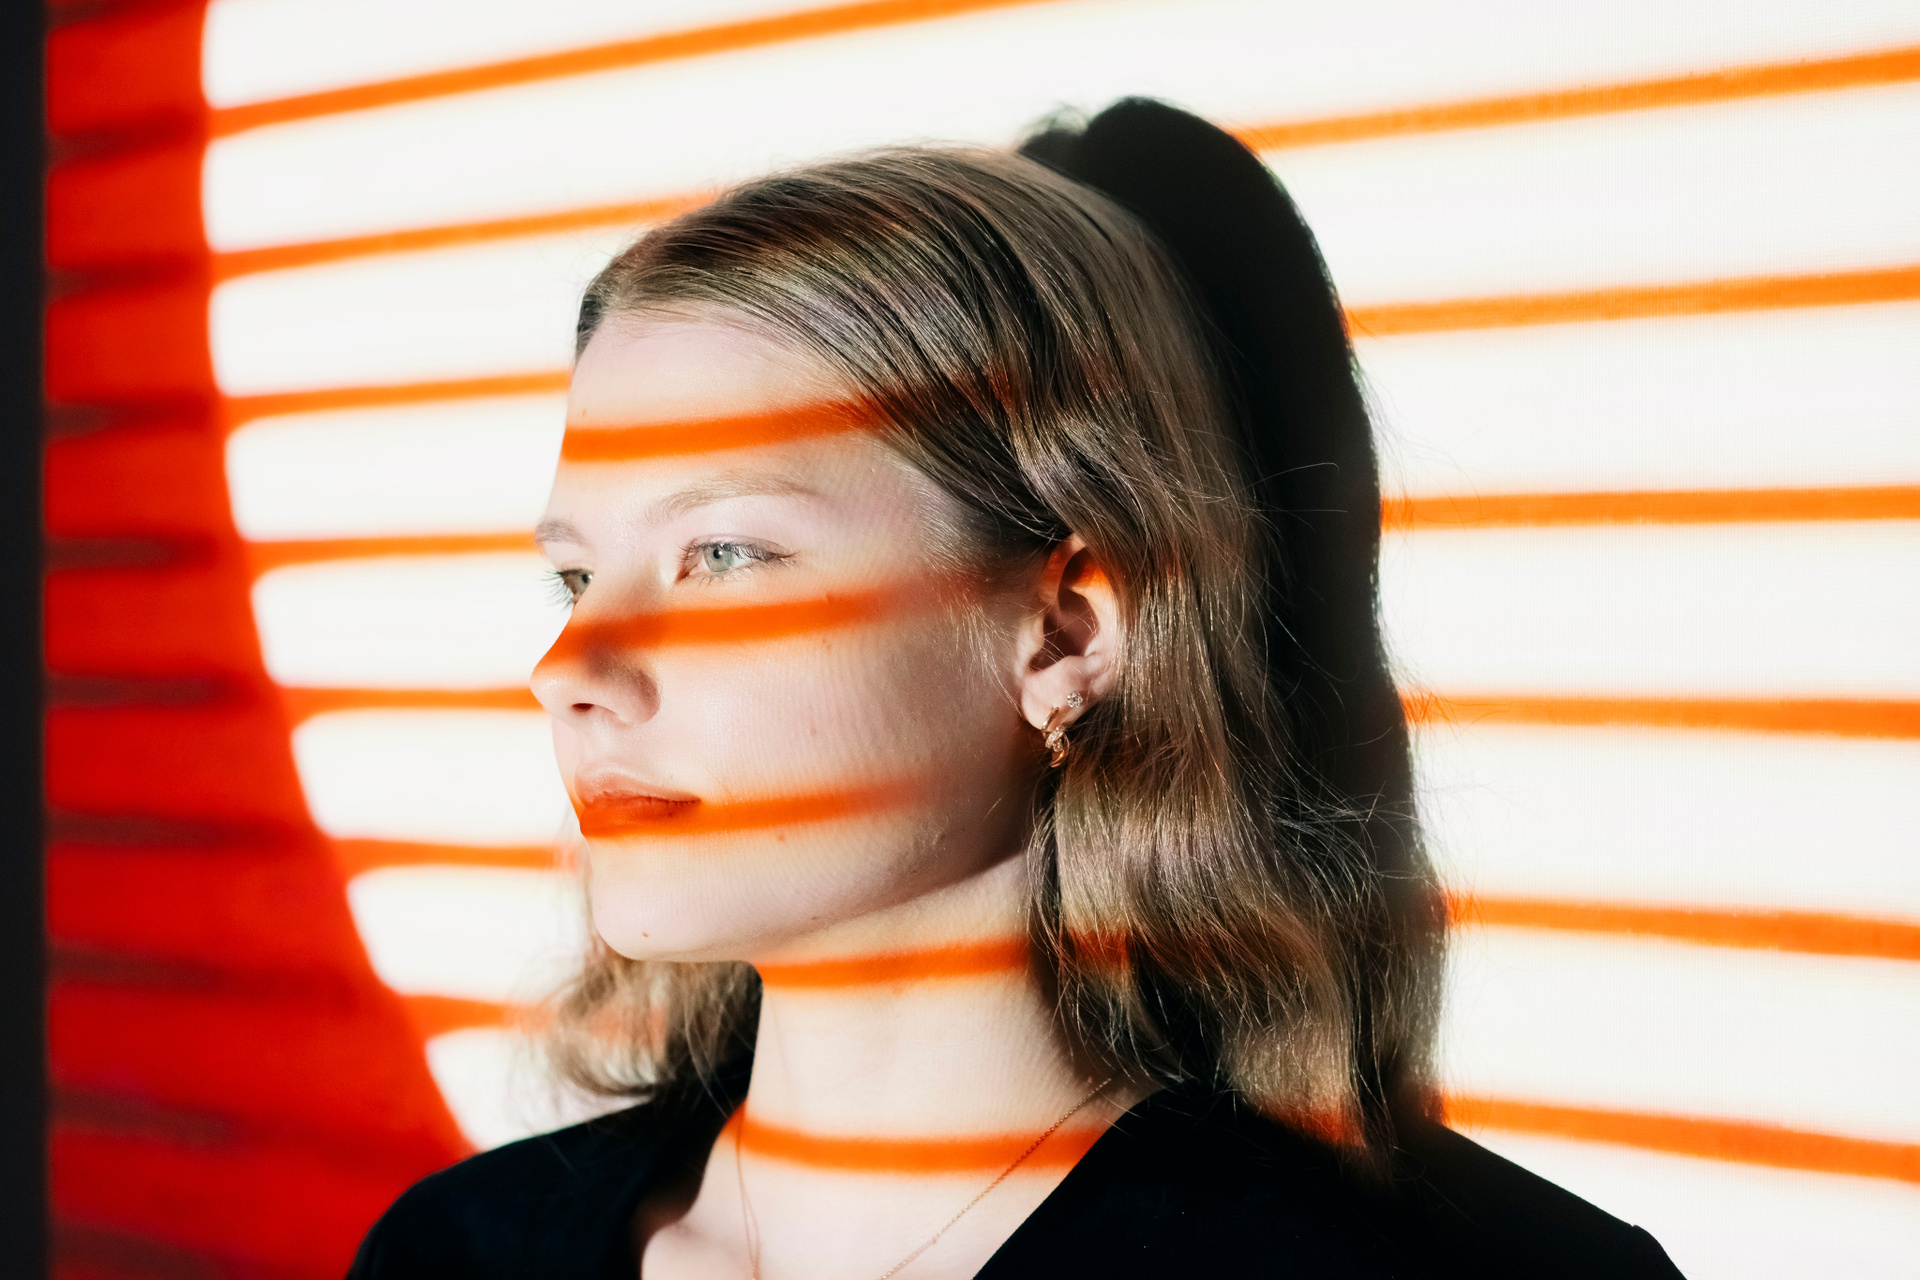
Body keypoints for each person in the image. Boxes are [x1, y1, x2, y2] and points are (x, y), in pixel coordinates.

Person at [348, 100, 1682, 1279]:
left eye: (724, 554)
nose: (570, 672)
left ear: (1064, 632)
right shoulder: (453, 1255)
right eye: (576, 577)